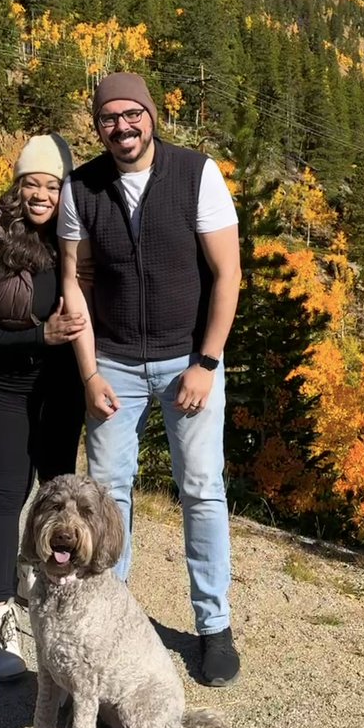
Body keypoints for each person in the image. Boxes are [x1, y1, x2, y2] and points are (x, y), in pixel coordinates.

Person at [58, 72, 242, 687]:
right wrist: (87, 372)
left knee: (201, 488)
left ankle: (213, 626)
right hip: (110, 361)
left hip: (186, 361)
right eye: (109, 117)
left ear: (152, 116)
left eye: (132, 113)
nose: (122, 127)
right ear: (98, 125)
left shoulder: (197, 174)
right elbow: (75, 283)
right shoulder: (79, 188)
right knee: (109, 495)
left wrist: (207, 362)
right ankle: (110, 618)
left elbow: (227, 274)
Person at [0, 133, 86, 681]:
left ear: (65, 190)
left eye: (51, 185)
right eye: (31, 181)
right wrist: (39, 337)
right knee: (7, 493)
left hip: (63, 388)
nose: (40, 193)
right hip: (3, 385)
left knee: (58, 490)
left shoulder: (79, 238)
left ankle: (57, 599)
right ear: (17, 182)